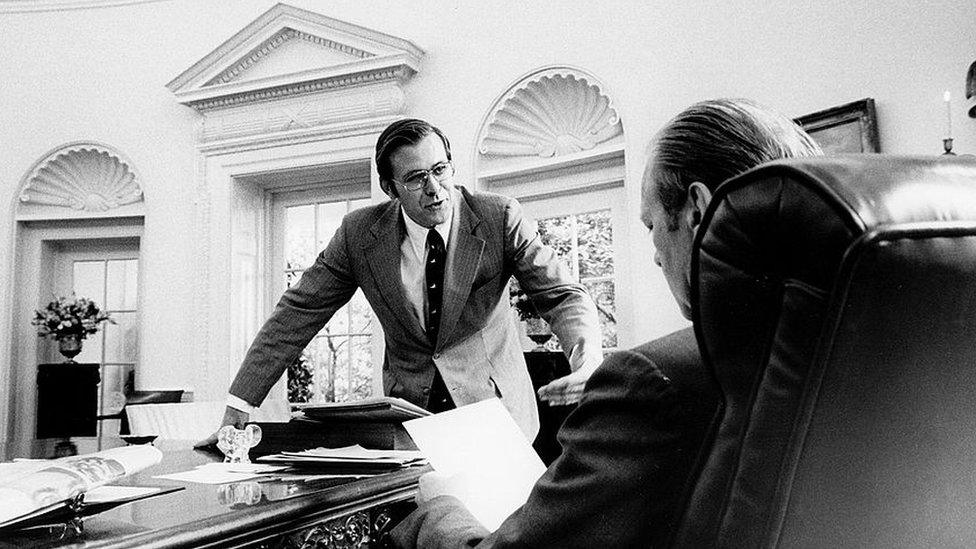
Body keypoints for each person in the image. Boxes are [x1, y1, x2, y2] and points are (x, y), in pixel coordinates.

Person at [390, 98, 823, 548]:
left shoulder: (648, 384)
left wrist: (437, 512)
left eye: (652, 224)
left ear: (698, 212)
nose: (655, 253)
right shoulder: (853, 353)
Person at [212, 118, 604, 441]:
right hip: (410, 427)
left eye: (440, 171)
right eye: (416, 178)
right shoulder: (358, 234)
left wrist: (587, 363)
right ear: (390, 188)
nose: (434, 190)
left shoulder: (498, 216)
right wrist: (239, 407)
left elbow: (562, 295)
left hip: (496, 415)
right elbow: (296, 315)